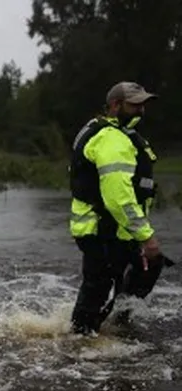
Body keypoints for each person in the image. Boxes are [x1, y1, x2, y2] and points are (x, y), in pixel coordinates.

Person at [68, 81, 166, 335]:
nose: (141, 110)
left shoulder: (112, 133)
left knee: (147, 268)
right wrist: (147, 236)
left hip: (113, 230)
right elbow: (118, 199)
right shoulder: (112, 139)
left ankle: (117, 330)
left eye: (143, 104)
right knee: (96, 291)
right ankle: (80, 347)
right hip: (104, 230)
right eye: (135, 105)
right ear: (115, 105)